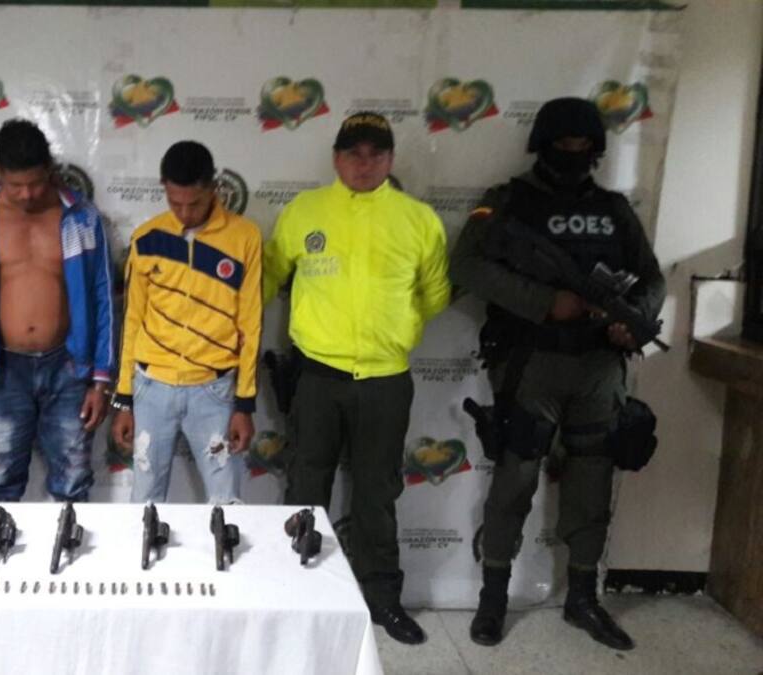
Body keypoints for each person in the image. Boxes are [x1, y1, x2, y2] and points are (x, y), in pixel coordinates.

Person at [450, 97, 665, 651]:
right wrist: (545, 301)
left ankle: (583, 599)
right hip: (532, 363)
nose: (574, 153)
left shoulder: (614, 210)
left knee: (592, 482)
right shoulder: (507, 203)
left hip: (599, 366)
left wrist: (632, 323)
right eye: (564, 144)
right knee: (515, 478)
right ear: (542, 146)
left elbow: (651, 278)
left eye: (583, 145)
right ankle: (493, 599)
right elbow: (467, 265)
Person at [262, 112, 451, 645]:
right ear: (336, 158)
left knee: (377, 493)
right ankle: (295, 593)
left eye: (375, 154)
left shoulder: (418, 220)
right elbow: (269, 278)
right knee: (306, 484)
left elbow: (436, 294)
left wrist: (397, 329)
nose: (364, 164)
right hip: (316, 375)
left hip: (385, 380)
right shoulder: (304, 212)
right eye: (353, 153)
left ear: (390, 159)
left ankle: (383, 600)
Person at [0, 118, 114, 502]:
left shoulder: (81, 216)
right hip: (0, 370)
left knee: (73, 483)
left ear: (50, 169)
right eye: (15, 185)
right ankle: (1, 544)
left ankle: (70, 543)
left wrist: (100, 382)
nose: (26, 194)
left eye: (36, 183)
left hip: (69, 368)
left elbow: (102, 298)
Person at [110, 141, 261, 502]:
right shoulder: (146, 239)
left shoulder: (245, 238)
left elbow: (251, 324)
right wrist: (124, 400)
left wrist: (244, 405)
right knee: (145, 499)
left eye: (194, 203)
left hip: (214, 390)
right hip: (151, 388)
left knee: (226, 500)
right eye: (174, 202)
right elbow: (132, 321)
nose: (184, 213)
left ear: (213, 189)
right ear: (164, 188)